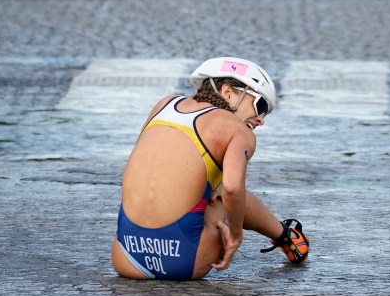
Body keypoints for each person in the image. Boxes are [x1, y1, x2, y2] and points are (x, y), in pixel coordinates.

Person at [112, 57, 310, 281]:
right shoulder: (238, 130)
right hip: (183, 261)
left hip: (126, 257)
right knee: (227, 197)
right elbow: (233, 188)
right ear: (227, 92)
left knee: (205, 186)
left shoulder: (164, 104)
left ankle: (285, 236)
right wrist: (235, 236)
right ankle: (288, 238)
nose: (261, 120)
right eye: (260, 106)